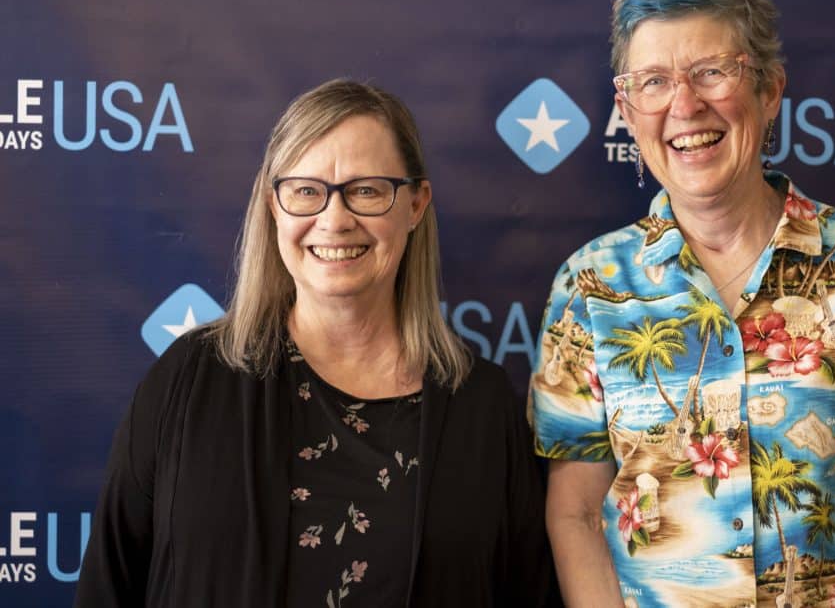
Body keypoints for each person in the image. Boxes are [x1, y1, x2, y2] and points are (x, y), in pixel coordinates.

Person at [530, 0, 835, 608]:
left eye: (712, 71)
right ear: (627, 113)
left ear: (769, 89)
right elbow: (572, 515)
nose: (684, 105)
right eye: (652, 82)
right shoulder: (589, 287)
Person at [76, 79, 556, 607]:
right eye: (306, 190)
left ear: (416, 205)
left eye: (367, 190)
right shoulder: (186, 383)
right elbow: (108, 587)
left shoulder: (482, 405)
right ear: (273, 206)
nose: (334, 219)